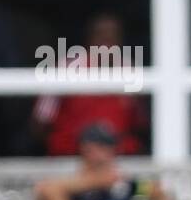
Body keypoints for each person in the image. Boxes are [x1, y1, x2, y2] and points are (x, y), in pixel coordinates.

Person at [34, 121, 175, 200]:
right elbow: (48, 191)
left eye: (108, 149)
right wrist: (96, 181)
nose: (102, 156)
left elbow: (152, 190)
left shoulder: (123, 185)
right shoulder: (73, 188)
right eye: (95, 149)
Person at [31, 12, 148, 157]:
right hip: (72, 159)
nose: (107, 43)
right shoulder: (67, 68)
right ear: (89, 39)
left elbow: (141, 123)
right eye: (101, 36)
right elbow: (41, 122)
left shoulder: (130, 70)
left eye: (112, 37)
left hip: (118, 160)